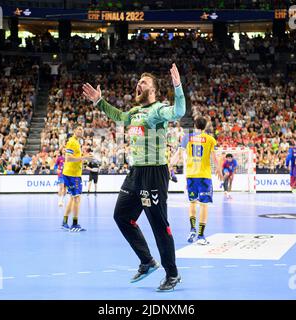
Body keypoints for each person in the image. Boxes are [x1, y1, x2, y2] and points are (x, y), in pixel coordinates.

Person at [82, 63, 185, 292]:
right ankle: (147, 261)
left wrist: (177, 86)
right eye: (139, 80)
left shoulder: (158, 110)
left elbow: (178, 112)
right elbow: (119, 116)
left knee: (159, 225)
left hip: (154, 172)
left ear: (154, 90)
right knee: (122, 216)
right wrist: (99, 102)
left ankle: (172, 273)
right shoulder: (135, 113)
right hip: (136, 172)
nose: (139, 83)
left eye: (144, 82)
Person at [170, 116, 222, 245]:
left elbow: (178, 154)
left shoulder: (187, 137)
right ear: (205, 126)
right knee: (203, 205)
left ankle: (192, 228)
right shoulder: (210, 139)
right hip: (204, 176)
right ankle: (200, 235)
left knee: (192, 203)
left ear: (194, 125)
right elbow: (215, 158)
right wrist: (219, 169)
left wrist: (170, 165)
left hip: (191, 176)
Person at [61, 127, 92, 232]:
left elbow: (75, 157)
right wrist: (84, 158)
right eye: (78, 129)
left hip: (74, 173)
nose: (80, 131)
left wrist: (84, 158)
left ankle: (64, 222)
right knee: (77, 199)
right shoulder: (72, 142)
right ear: (74, 131)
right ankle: (74, 224)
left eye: (82, 129)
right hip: (72, 175)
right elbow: (68, 158)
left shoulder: (77, 142)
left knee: (73, 198)